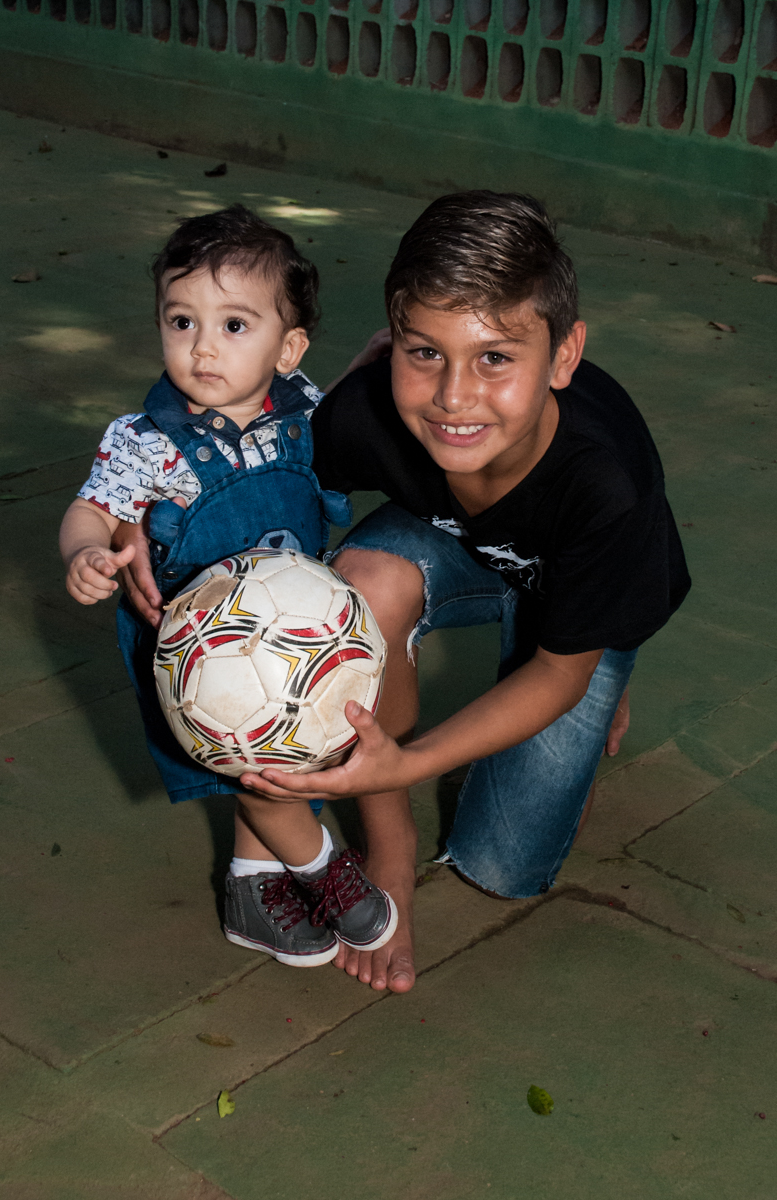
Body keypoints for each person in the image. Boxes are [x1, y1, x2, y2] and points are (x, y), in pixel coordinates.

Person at [118, 191, 690, 996]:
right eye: (424, 353)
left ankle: (605, 653)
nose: (453, 397)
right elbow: (237, 467)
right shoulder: (366, 417)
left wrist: (419, 753)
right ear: (394, 344)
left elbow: (553, 677)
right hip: (448, 542)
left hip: (583, 582)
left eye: (494, 357)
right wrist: (150, 518)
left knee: (504, 863)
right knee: (362, 581)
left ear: (563, 357)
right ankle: (387, 859)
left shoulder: (606, 483)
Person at [59, 204, 398, 971]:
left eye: (234, 326)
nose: (202, 346)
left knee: (292, 746)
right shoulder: (147, 442)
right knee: (262, 768)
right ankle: (318, 865)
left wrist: (363, 372)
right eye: (181, 321)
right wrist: (86, 552)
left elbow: (334, 418)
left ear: (289, 348)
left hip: (293, 637)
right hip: (199, 653)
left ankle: (253, 888)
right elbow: (93, 507)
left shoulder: (300, 408)